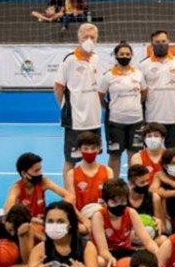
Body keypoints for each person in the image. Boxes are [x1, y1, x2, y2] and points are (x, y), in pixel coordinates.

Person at [55, 23, 102, 176]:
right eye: (85, 37)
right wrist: (65, 107)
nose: (89, 40)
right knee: (71, 160)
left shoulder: (96, 58)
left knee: (92, 158)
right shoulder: (69, 60)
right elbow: (58, 87)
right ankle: (70, 194)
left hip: (94, 119)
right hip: (76, 120)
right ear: (79, 38)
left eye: (92, 37)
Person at [90, 179, 158, 267]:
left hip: (126, 252)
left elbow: (147, 241)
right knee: (99, 262)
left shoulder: (131, 213)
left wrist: (157, 253)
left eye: (122, 201)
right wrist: (110, 259)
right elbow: (103, 250)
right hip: (108, 254)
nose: (119, 205)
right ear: (105, 202)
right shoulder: (98, 216)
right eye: (114, 202)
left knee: (150, 256)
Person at [98, 42, 145, 178]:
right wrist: (108, 106)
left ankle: (134, 184)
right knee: (115, 155)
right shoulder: (108, 76)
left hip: (136, 121)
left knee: (134, 155)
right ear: (116, 56)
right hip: (115, 122)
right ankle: (113, 185)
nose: (125, 56)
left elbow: (144, 92)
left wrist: (133, 104)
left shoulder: (138, 74)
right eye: (121, 54)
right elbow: (100, 95)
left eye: (127, 54)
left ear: (132, 56)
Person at [142, 30, 175, 150]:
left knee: (174, 153)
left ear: (168, 42)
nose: (161, 44)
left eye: (163, 41)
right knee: (152, 151)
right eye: (157, 42)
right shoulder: (143, 65)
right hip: (152, 117)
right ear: (151, 43)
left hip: (174, 117)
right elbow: (142, 91)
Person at [3, 152, 71, 223]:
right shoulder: (16, 189)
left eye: (40, 169)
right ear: (24, 173)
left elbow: (69, 196)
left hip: (43, 223)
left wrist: (56, 211)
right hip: (25, 225)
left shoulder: (43, 182)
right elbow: (7, 210)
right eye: (36, 171)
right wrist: (31, 220)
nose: (40, 173)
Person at [63, 131, 111, 214]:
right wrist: (83, 220)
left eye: (93, 148)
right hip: (81, 219)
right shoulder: (71, 174)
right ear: (79, 150)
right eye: (85, 148)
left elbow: (110, 200)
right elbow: (71, 204)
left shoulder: (108, 171)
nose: (89, 152)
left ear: (98, 149)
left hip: (103, 216)